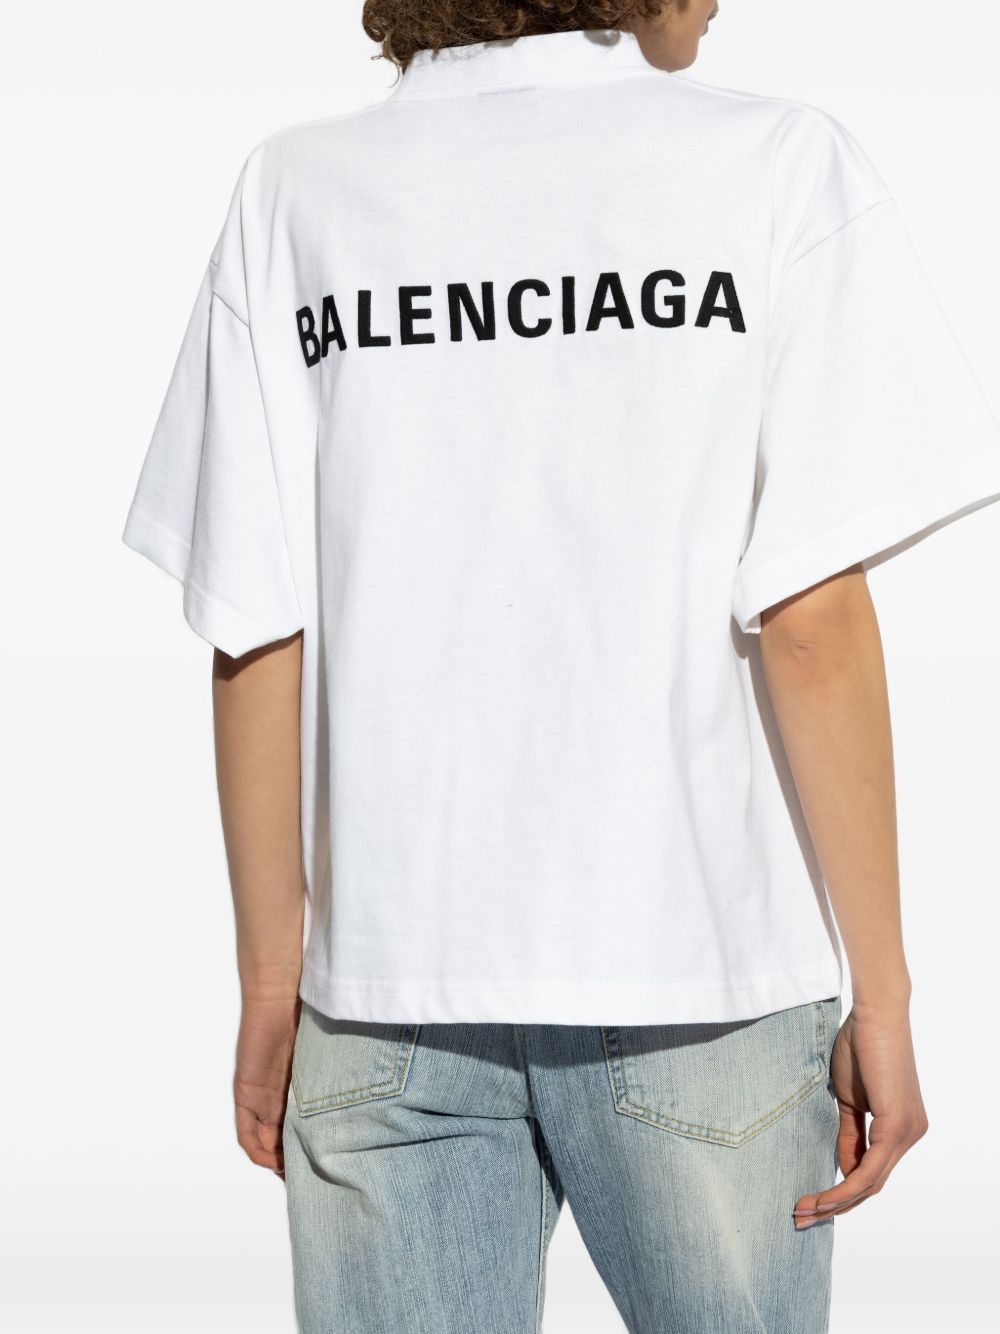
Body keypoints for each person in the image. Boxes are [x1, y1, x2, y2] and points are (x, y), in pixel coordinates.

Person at [122, 2, 1000, 1330]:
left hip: (386, 996)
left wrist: (266, 977)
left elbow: (253, 621)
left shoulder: (296, 190)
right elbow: (811, 617)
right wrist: (883, 986)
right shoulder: (776, 165)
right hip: (699, 987)